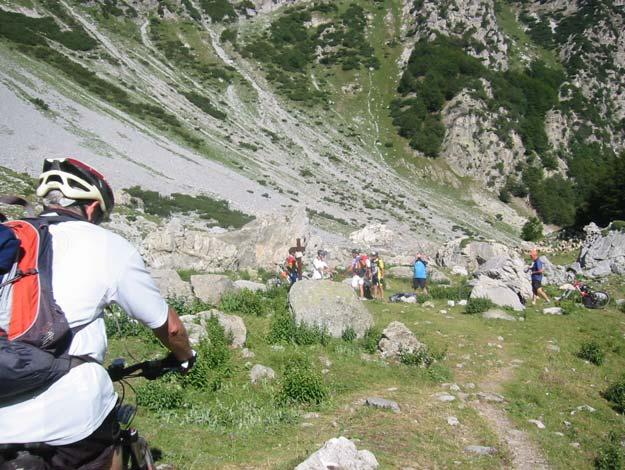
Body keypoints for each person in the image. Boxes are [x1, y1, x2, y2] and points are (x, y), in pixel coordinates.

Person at [0, 158, 195, 469]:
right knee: (108, 447)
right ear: (91, 208)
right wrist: (185, 357)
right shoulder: (105, 245)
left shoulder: (10, 236)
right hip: (69, 422)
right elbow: (169, 328)